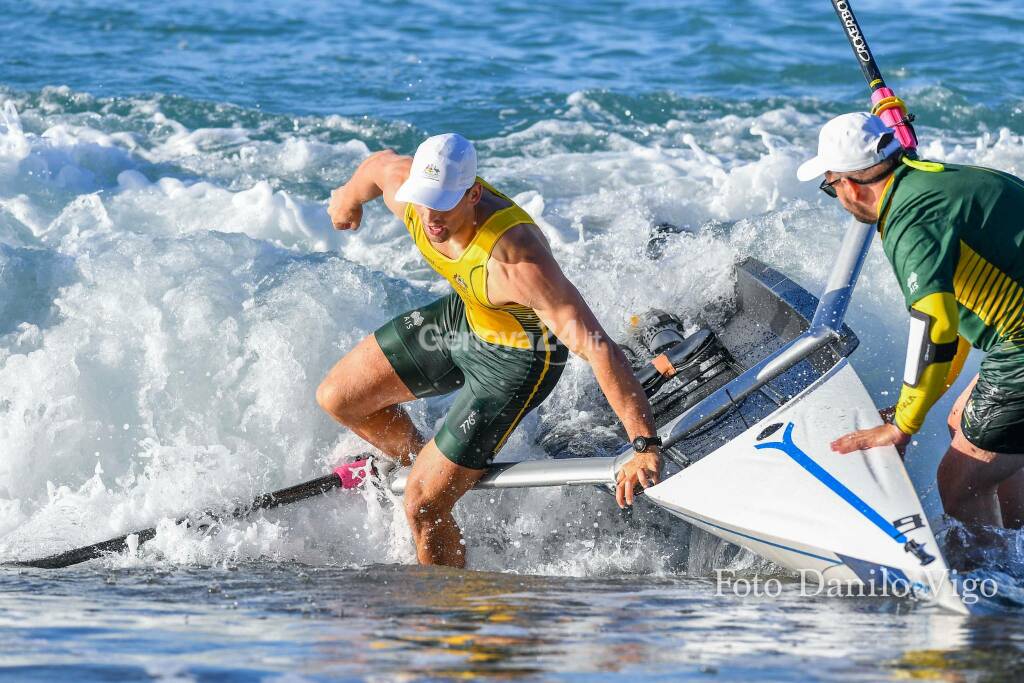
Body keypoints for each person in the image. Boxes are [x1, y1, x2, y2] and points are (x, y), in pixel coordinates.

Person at [318, 133, 662, 566]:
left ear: (474, 193)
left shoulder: (518, 262)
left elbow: (597, 348)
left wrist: (645, 444)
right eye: (424, 200)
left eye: (443, 202)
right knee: (339, 399)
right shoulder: (411, 196)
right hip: (465, 319)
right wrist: (348, 200)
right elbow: (376, 166)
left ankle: (450, 612)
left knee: (422, 506)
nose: (430, 216)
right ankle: (424, 461)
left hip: (518, 361)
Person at [798, 112, 1024, 528]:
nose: (838, 198)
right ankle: (1015, 544)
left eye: (830, 187)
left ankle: (992, 587)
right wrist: (912, 410)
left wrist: (903, 426)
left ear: (848, 183)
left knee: (960, 484)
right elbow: (954, 326)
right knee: (964, 420)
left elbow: (935, 323)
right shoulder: (937, 177)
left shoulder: (910, 220)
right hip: (1015, 338)